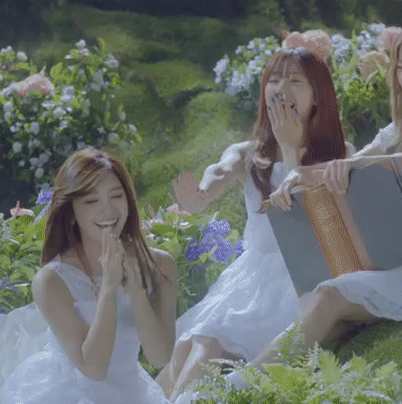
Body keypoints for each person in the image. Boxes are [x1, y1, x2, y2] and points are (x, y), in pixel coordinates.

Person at [230, 14, 402, 381]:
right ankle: (247, 383)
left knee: (330, 297)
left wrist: (358, 164)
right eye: (401, 68)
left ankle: (237, 386)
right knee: (327, 309)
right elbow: (352, 164)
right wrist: (303, 174)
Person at [159, 32, 355, 402]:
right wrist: (200, 195)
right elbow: (218, 173)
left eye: (295, 81)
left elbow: (314, 227)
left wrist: (291, 150)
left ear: (318, 96)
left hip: (299, 278)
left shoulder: (340, 155)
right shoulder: (247, 152)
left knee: (207, 345)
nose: (282, 89)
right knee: (187, 350)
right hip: (250, 277)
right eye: (274, 80)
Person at [0, 147, 177, 404]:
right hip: (71, 393)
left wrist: (137, 289)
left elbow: (160, 357)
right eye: (91, 201)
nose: (107, 210)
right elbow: (94, 369)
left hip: (131, 392)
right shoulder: (52, 280)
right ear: (71, 212)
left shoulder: (161, 264)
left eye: (116, 196)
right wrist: (109, 289)